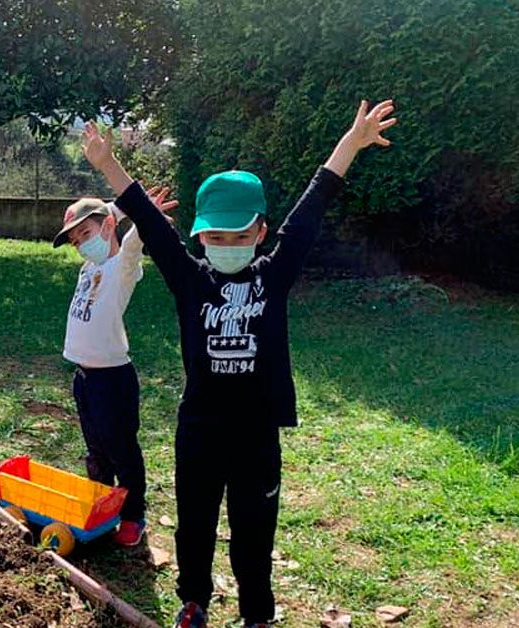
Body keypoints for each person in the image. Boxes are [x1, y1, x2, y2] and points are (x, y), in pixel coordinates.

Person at [83, 100, 397, 628]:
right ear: (201, 236)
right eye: (216, 237)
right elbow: (149, 222)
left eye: (239, 236)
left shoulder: (273, 275)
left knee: (255, 527)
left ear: (259, 233)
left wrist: (351, 143)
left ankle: (257, 614)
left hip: (256, 433)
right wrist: (107, 166)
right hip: (199, 428)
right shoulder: (190, 278)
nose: (227, 245)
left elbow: (310, 212)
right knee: (195, 525)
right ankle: (194, 601)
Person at [51, 187, 178, 547]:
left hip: (113, 379)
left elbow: (134, 241)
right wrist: (111, 212)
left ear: (108, 226)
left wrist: (139, 212)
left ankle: (133, 513)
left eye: (85, 235)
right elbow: (102, 216)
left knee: (121, 448)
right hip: (84, 377)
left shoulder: (121, 266)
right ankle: (105, 505)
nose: (80, 243)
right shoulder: (88, 268)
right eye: (75, 240)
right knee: (96, 448)